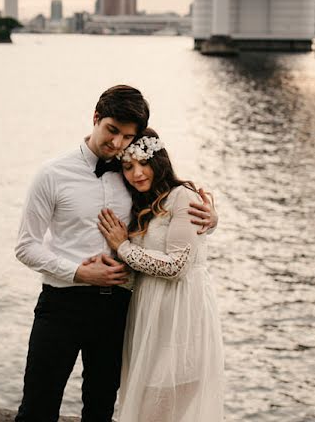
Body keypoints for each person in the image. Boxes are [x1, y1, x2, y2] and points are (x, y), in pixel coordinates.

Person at [14, 86, 217, 422]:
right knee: (38, 407)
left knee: (101, 409)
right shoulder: (52, 174)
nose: (118, 143)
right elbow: (26, 246)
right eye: (112, 130)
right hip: (61, 304)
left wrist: (211, 220)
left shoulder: (134, 177)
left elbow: (167, 215)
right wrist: (79, 272)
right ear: (96, 118)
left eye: (127, 136)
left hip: (118, 309)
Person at [97, 128, 225, 422]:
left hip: (181, 316)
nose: (136, 173)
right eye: (128, 167)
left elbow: (176, 266)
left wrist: (123, 247)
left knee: (161, 405)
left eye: (143, 163)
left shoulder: (183, 197)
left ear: (159, 161)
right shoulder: (142, 205)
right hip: (149, 313)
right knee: (146, 406)